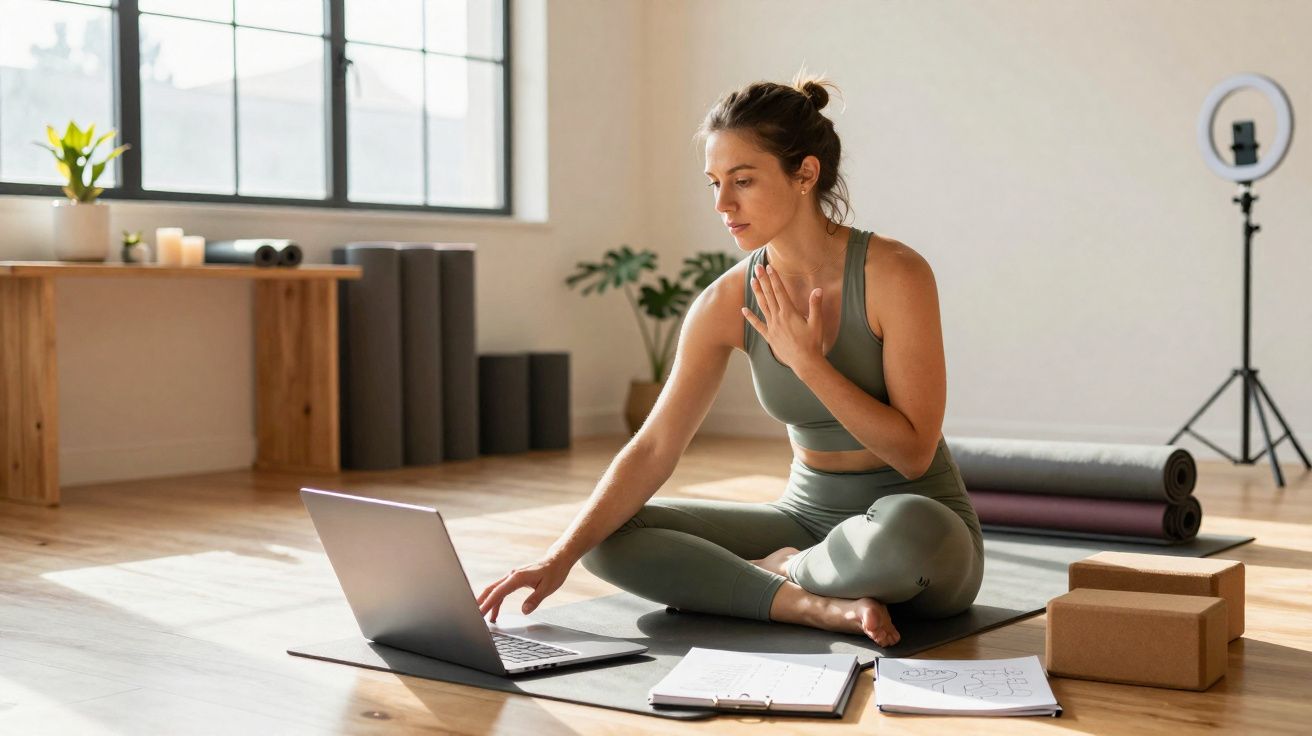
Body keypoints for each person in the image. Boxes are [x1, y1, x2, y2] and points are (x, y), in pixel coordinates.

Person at [477, 73, 983, 647]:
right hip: (805, 518)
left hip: (918, 529)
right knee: (608, 533)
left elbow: (914, 454)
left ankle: (780, 573)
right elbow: (655, 445)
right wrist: (558, 555)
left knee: (907, 532)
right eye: (715, 182)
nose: (722, 204)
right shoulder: (724, 300)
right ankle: (807, 606)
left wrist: (809, 364)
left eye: (742, 181)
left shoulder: (894, 273)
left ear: (805, 174)